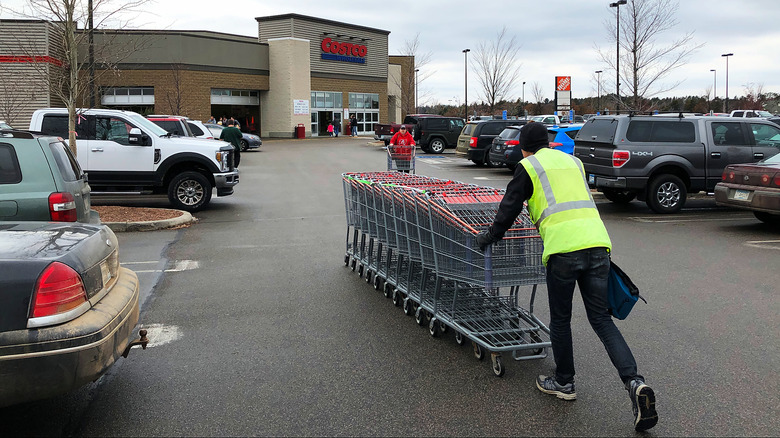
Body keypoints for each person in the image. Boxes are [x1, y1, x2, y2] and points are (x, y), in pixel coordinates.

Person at [475, 122, 658, 431]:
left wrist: (489, 237)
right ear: (547, 142)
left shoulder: (528, 166)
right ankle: (634, 382)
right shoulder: (574, 161)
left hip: (563, 250)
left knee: (561, 319)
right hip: (598, 244)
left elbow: (508, 209)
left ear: (524, 146)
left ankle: (565, 382)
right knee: (601, 319)